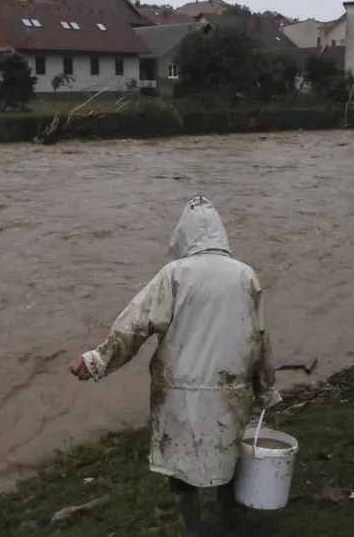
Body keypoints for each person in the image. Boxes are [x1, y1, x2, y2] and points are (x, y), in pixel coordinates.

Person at [69, 196, 282, 537]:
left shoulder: (175, 274)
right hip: (231, 391)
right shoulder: (245, 275)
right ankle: (230, 518)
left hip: (178, 396)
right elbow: (260, 338)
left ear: (184, 235)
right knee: (227, 454)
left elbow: (134, 325)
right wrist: (266, 389)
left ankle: (192, 529)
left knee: (182, 468)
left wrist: (95, 360)